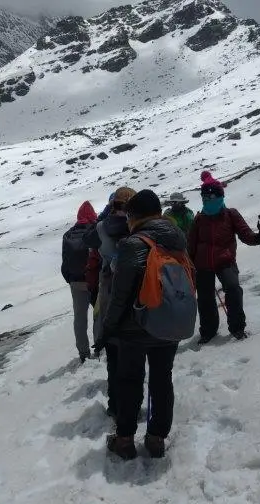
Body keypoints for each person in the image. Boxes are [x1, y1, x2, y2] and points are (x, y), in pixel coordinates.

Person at [95, 189, 186, 460]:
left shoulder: (132, 244)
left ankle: (124, 439)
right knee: (162, 380)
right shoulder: (177, 239)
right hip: (168, 321)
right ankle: (156, 437)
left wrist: (106, 329)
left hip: (134, 328)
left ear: (134, 216)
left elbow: (120, 295)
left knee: (130, 381)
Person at [187, 171, 260, 344]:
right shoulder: (199, 219)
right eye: (204, 198)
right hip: (202, 265)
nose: (207, 200)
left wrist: (259, 237)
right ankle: (208, 331)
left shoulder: (230, 214)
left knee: (233, 289)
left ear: (219, 196)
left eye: (210, 197)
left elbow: (246, 235)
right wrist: (188, 262)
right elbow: (191, 244)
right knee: (204, 298)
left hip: (225, 261)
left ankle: (237, 327)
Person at [84, 187, 136, 417]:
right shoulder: (138, 227)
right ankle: (133, 406)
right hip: (136, 296)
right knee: (135, 358)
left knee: (114, 354)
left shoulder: (102, 229)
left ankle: (116, 405)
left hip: (109, 293)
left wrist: (105, 214)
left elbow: (88, 239)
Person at [61, 200, 98, 362]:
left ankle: (83, 353)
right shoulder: (95, 230)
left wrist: (70, 279)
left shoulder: (68, 234)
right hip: (93, 280)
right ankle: (100, 347)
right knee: (99, 315)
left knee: (80, 318)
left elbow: (64, 262)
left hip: (75, 282)